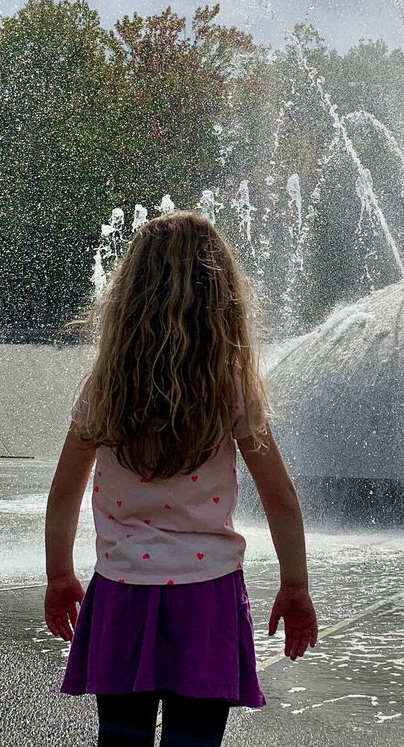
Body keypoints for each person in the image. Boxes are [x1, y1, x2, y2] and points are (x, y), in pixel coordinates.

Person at [44, 210, 318, 747]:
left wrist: (59, 577)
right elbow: (280, 498)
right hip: (207, 594)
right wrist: (294, 585)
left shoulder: (105, 387)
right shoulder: (228, 386)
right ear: (221, 296)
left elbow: (64, 494)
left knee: (121, 735)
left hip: (123, 588)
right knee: (195, 738)